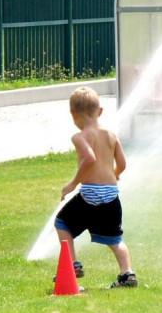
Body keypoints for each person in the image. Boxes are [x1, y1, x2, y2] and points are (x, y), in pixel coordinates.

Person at [55, 86, 137, 288]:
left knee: (62, 223)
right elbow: (123, 164)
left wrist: (72, 184)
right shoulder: (111, 135)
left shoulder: (80, 137)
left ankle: (73, 265)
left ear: (73, 114)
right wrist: (114, 175)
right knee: (115, 238)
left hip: (90, 192)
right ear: (100, 112)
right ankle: (127, 273)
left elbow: (90, 159)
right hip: (111, 194)